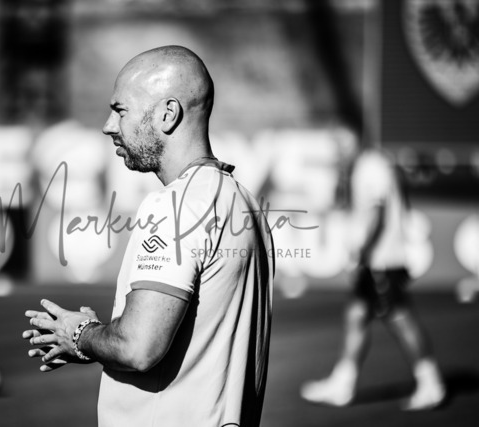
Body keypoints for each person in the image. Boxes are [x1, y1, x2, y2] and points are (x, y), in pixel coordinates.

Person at [22, 45, 275, 427]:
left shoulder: (174, 205)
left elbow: (138, 347)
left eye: (120, 110)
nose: (108, 125)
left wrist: (80, 334)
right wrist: (100, 339)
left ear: (167, 114)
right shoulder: (247, 204)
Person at [300, 147, 446, 410]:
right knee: (356, 314)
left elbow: (377, 214)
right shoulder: (373, 164)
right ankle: (343, 383)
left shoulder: (372, 166)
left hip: (381, 258)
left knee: (399, 316)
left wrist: (361, 251)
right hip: (377, 257)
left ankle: (430, 383)